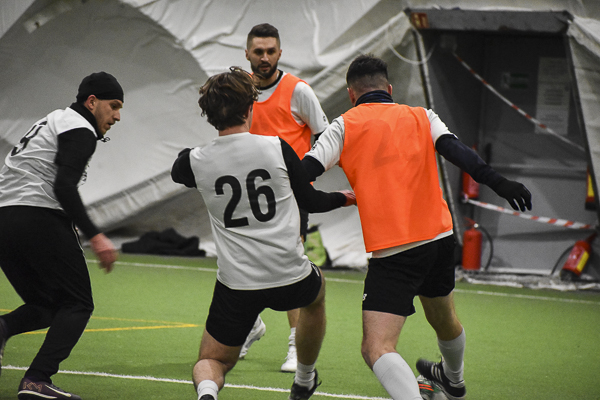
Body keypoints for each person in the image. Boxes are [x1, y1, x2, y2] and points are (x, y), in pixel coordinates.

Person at [302, 54, 532, 400]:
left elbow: (303, 174)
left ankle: (441, 386)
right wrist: (501, 184)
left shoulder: (343, 126)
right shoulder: (422, 115)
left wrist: (335, 198)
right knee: (444, 318)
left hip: (395, 250)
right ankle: (453, 381)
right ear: (390, 89)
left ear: (351, 94)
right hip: (440, 238)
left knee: (376, 347)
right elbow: (458, 153)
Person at [171, 67, 354, 400]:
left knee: (211, 361)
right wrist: (343, 197)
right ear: (249, 108)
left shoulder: (195, 161)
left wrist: (196, 155)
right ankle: (304, 377)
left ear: (209, 114)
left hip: (237, 286)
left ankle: (207, 394)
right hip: (288, 274)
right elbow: (311, 200)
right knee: (317, 295)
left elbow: (178, 169)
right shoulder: (276, 147)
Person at [0, 72, 122, 400]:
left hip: (4, 219)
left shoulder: (54, 119)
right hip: (37, 216)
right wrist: (96, 236)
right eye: (113, 106)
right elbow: (63, 187)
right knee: (78, 303)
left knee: (47, 304)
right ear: (91, 102)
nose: (117, 116)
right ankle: (37, 380)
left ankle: (2, 329)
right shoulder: (80, 129)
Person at [240, 22, 330, 373]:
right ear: (247, 53)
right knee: (245, 261)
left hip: (290, 197)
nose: (264, 57)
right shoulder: (239, 91)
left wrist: (303, 177)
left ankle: (295, 344)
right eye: (258, 51)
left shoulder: (298, 90)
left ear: (280, 53)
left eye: (270, 51)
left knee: (290, 266)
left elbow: (326, 137)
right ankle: (251, 324)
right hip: (249, 195)